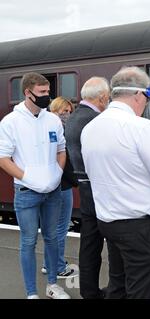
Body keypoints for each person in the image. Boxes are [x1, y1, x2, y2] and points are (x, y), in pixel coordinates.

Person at [81, 67, 150, 299]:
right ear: (139, 94)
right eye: (147, 98)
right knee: (141, 290)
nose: (146, 103)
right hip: (139, 227)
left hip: (109, 222)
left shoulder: (91, 128)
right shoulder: (141, 127)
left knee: (118, 285)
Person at [0, 72, 71, 299]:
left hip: (52, 191)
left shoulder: (52, 119)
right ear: (27, 93)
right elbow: (3, 158)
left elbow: (61, 149)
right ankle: (31, 292)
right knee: (28, 242)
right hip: (26, 192)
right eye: (41, 93)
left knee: (52, 238)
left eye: (47, 92)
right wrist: (28, 178)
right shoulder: (11, 122)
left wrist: (57, 173)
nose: (46, 96)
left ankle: (52, 285)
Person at [65, 77, 110, 299]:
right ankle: (115, 290)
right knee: (115, 240)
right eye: (108, 96)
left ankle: (89, 292)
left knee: (90, 243)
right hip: (99, 187)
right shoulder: (95, 120)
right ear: (102, 97)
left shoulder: (74, 117)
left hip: (85, 187)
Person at [40, 97, 78, 278]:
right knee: (60, 228)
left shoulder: (43, 127)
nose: (67, 115)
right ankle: (57, 266)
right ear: (55, 110)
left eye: (69, 112)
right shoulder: (58, 130)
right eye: (64, 111)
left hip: (49, 184)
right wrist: (77, 180)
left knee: (51, 228)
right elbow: (65, 160)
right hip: (61, 186)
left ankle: (49, 263)